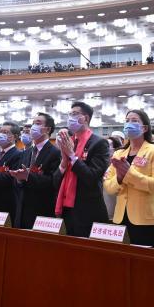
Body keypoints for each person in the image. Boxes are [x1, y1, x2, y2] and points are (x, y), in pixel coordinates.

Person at [103, 109, 154, 247]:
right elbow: (108, 187)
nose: (129, 124)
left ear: (144, 128)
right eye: (127, 121)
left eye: (134, 121)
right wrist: (119, 178)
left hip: (147, 221)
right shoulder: (119, 153)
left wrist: (129, 174)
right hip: (120, 219)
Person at [53, 101, 111, 237]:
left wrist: (72, 156)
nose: (71, 118)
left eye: (75, 114)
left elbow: (92, 177)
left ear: (85, 118)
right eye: (70, 114)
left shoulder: (99, 143)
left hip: (87, 209)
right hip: (66, 208)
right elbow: (55, 181)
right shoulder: (69, 141)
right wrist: (64, 161)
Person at [10, 112, 61, 229]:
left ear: (47, 129)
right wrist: (18, 179)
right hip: (22, 208)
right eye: (33, 123)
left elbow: (53, 181)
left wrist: (28, 176)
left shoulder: (55, 152)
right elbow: (17, 181)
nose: (33, 127)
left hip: (42, 209)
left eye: (38, 123)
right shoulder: (26, 152)